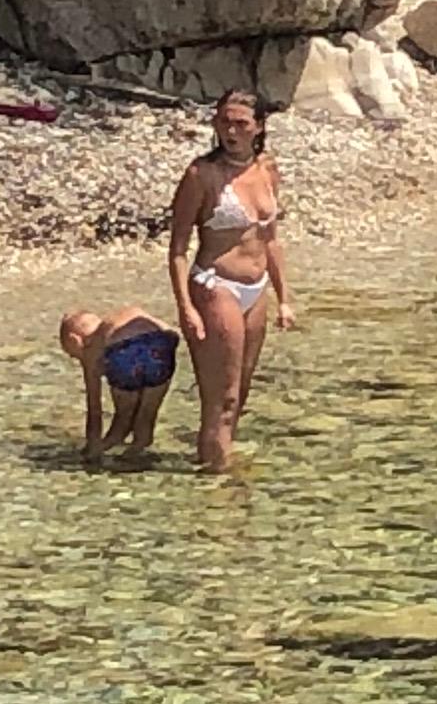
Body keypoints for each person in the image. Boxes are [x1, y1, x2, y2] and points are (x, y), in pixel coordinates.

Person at [165, 90, 295, 473]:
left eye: (241, 123)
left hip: (256, 291)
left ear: (258, 127)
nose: (231, 131)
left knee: (241, 394)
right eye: (224, 121)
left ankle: (213, 462)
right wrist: (185, 307)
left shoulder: (267, 169)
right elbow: (177, 249)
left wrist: (285, 296)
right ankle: (217, 492)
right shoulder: (200, 175)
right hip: (214, 284)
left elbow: (270, 239)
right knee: (222, 398)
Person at [60, 306, 179, 462]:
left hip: (123, 349)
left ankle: (97, 453)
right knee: (146, 418)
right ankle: (136, 454)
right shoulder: (118, 319)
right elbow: (172, 334)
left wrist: (92, 443)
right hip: (162, 344)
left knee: (123, 419)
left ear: (74, 340)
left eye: (72, 355)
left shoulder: (91, 348)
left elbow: (94, 409)